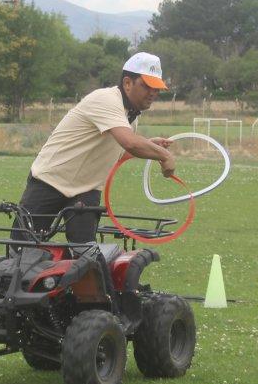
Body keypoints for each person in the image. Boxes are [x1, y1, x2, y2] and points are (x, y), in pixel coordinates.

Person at [17, 51, 175, 243]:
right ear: (127, 83)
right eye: (147, 86)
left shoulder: (131, 115)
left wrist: (148, 146)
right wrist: (163, 155)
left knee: (85, 257)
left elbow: (119, 152)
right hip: (50, 180)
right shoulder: (106, 99)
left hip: (86, 189)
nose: (153, 93)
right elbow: (130, 143)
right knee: (22, 250)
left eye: (157, 88)